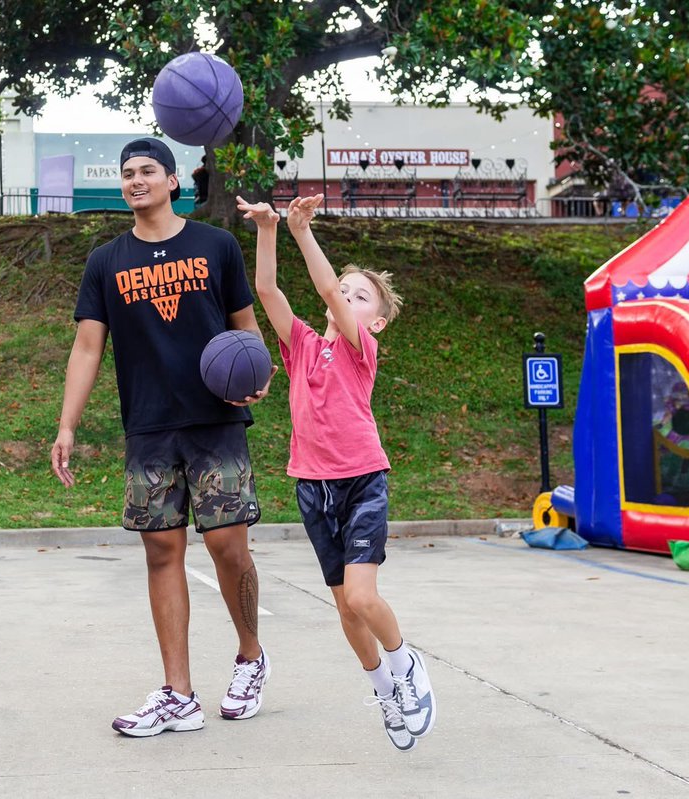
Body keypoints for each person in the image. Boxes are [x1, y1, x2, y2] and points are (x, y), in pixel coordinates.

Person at [51, 137, 273, 737]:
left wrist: (259, 379)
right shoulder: (106, 261)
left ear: (173, 181)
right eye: (127, 173)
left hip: (215, 420)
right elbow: (87, 346)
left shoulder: (215, 245)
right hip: (148, 425)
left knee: (229, 545)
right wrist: (67, 424)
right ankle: (179, 694)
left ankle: (251, 656)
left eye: (147, 170)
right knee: (162, 551)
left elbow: (245, 330)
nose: (135, 180)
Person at [237, 192, 434, 751]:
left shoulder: (359, 348)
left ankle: (405, 663)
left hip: (362, 479)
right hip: (312, 486)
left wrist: (303, 231)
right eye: (345, 290)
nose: (345, 296)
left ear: (377, 321)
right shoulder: (301, 345)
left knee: (365, 599)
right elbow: (269, 292)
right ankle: (383, 691)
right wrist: (269, 229)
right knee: (345, 607)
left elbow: (324, 287)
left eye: (360, 295)